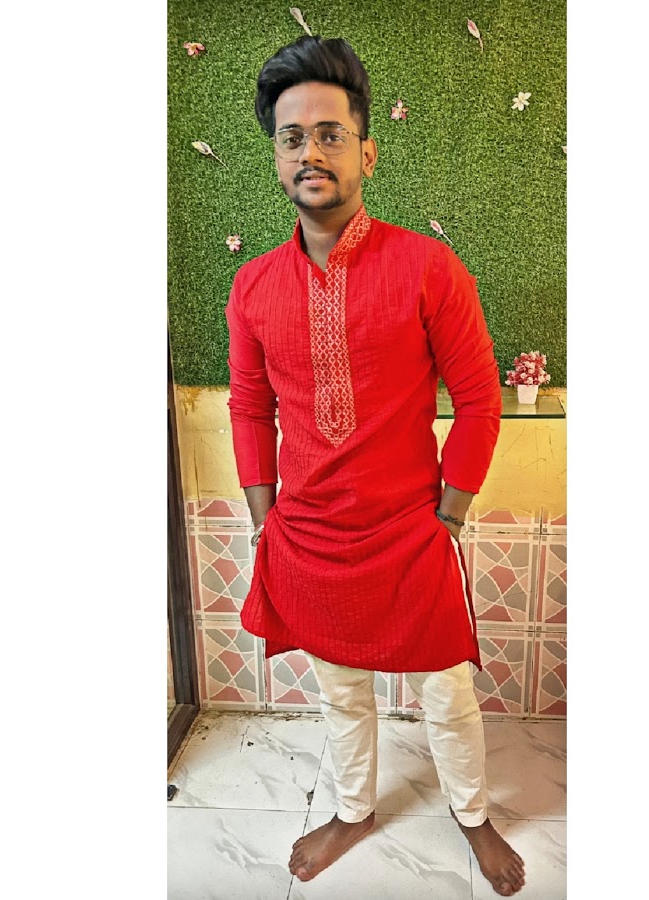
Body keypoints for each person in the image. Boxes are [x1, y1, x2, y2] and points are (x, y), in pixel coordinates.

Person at [226, 34, 526, 896]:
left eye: (330, 133)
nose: (310, 152)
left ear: (367, 151)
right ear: (277, 156)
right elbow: (249, 406)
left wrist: (451, 515)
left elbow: (480, 399)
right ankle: (354, 808)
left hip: (411, 530)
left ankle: (473, 814)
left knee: (447, 693)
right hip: (311, 536)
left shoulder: (428, 267)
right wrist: (266, 518)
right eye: (292, 137)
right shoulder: (253, 287)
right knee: (342, 692)